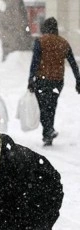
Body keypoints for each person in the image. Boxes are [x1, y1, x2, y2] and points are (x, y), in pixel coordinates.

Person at [28, 17, 80, 146]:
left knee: (43, 107)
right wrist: (78, 80)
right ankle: (48, 133)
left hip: (42, 80)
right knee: (51, 106)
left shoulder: (40, 41)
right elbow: (73, 63)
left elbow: (35, 63)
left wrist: (30, 79)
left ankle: (48, 131)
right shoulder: (63, 43)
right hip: (57, 81)